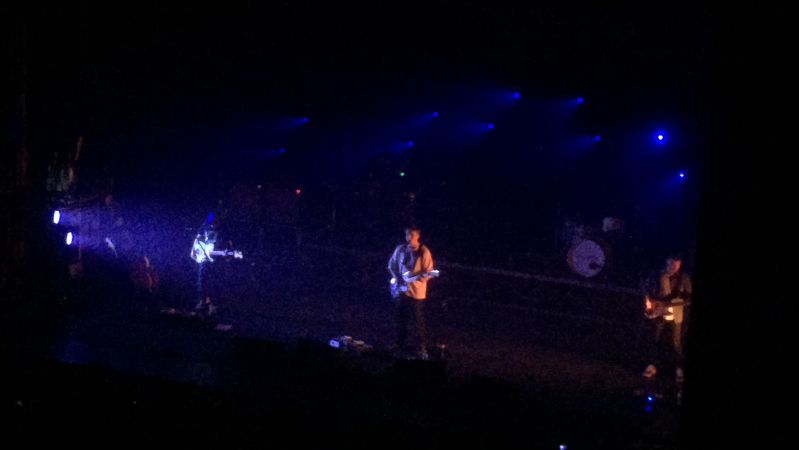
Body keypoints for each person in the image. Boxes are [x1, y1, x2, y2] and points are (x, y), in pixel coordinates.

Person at [641, 254, 693, 382]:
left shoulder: (683, 277)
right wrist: (649, 302)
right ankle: (652, 365)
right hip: (659, 311)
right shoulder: (656, 274)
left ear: (679, 265)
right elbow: (645, 289)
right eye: (670, 264)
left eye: (675, 265)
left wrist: (677, 302)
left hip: (675, 312)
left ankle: (679, 369)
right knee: (655, 338)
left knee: (676, 342)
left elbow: (689, 297)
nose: (672, 268)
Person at [388, 228, 435, 359]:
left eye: (412, 235)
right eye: (407, 234)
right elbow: (392, 264)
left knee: (417, 320)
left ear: (418, 236)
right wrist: (397, 278)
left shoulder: (424, 252)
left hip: (416, 292)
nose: (409, 237)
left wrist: (420, 277)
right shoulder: (401, 249)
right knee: (401, 317)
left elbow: (429, 272)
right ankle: (400, 342)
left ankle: (421, 345)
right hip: (403, 290)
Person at [191, 224, 218, 315]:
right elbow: (193, 255)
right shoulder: (201, 242)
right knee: (202, 284)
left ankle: (209, 303)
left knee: (209, 284)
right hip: (204, 265)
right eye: (207, 233)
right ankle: (204, 302)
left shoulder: (212, 243)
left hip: (212, 266)